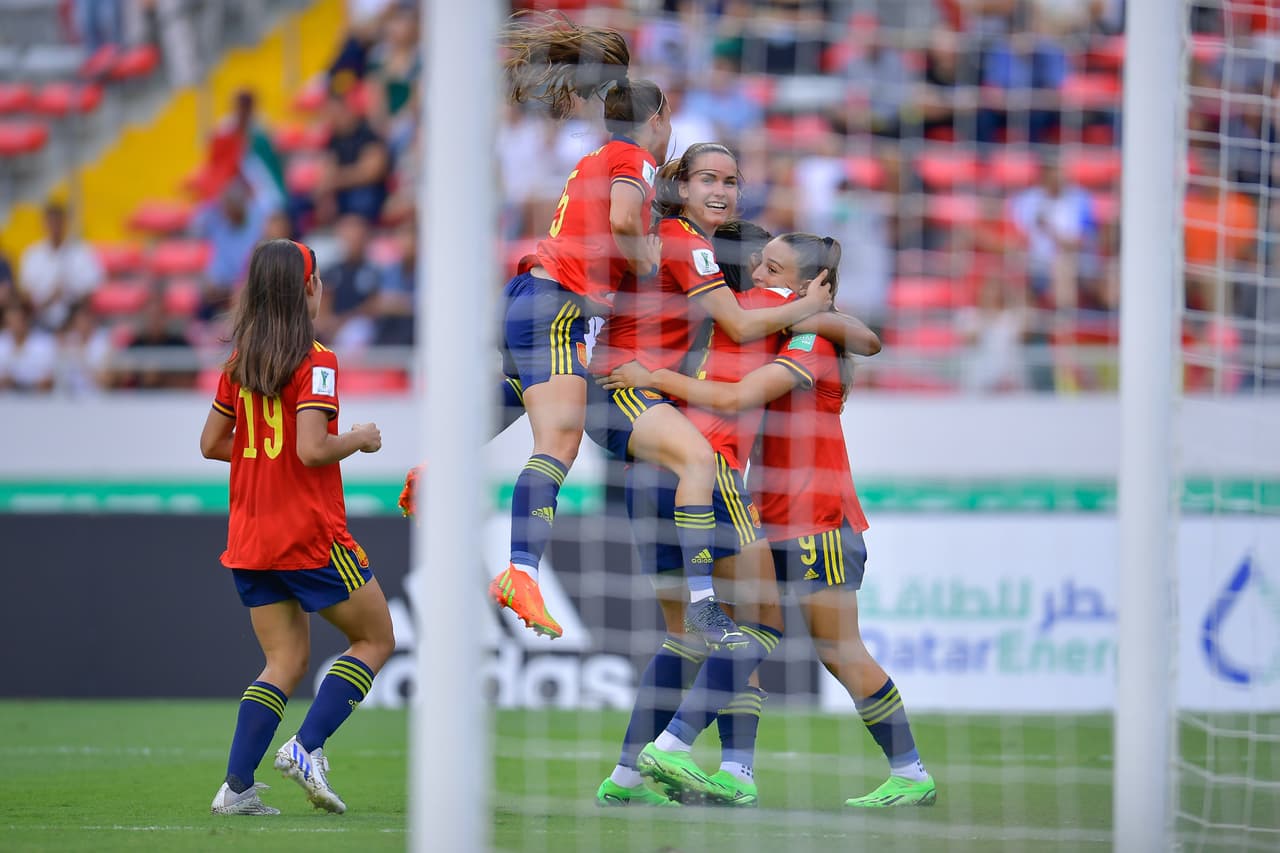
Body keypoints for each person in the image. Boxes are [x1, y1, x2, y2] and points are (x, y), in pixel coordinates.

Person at [604, 232, 936, 809]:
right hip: (764, 513)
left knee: (839, 651)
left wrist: (654, 380)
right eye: (759, 266)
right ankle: (735, 771)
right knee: (744, 637)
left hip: (817, 518)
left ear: (809, 284)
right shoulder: (773, 323)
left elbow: (746, 394)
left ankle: (910, 772)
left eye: (774, 268)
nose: (759, 276)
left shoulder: (809, 339)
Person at [587, 143, 831, 653]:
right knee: (761, 621)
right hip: (623, 387)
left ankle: (698, 644)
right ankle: (704, 602)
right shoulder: (686, 240)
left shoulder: (691, 245)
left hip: (650, 430)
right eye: (708, 179)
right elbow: (740, 324)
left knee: (683, 644)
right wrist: (810, 305)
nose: (721, 191)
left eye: (730, 181)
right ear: (682, 187)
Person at [486, 16, 670, 640]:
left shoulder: (594, 156)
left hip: (529, 295)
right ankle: (521, 570)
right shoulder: (635, 158)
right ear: (658, 120)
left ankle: (440, 469)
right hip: (559, 304)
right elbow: (623, 221)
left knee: (523, 393)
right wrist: (647, 261)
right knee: (560, 440)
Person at [200, 239, 394, 816]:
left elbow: (212, 443)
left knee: (283, 662)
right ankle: (306, 747)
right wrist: (358, 438)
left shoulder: (240, 362)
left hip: (251, 536)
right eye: (318, 279)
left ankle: (236, 788)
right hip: (310, 535)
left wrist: (265, 459)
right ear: (307, 288)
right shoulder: (316, 361)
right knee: (377, 640)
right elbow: (312, 449)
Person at [18, 202, 104, 333]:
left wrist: (69, 294)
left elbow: (93, 287)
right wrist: (49, 299)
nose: (54, 227)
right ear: (44, 225)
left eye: (57, 222)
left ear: (65, 223)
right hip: (39, 320)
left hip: (74, 320)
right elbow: (26, 294)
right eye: (51, 223)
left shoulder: (81, 251)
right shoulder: (32, 255)